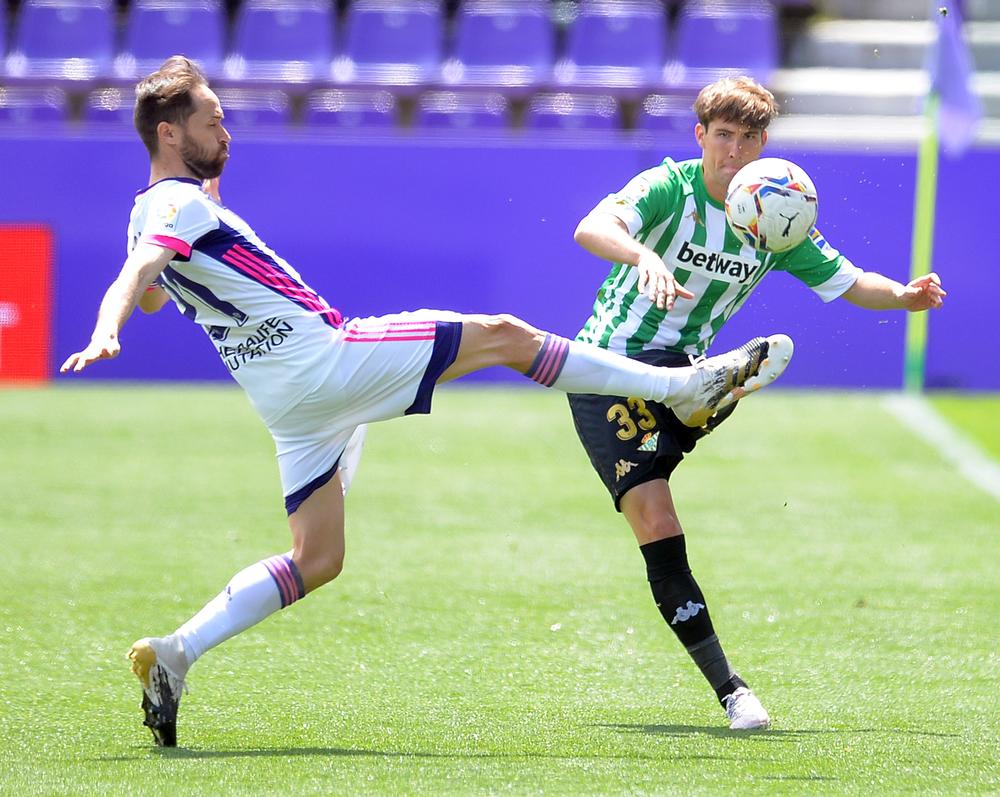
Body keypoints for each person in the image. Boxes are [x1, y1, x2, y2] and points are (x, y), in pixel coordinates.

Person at [59, 58, 793, 747]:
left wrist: (162, 278)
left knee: (317, 558)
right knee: (505, 335)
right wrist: (105, 323)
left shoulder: (151, 209)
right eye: (211, 120)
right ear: (169, 132)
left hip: (284, 403)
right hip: (326, 358)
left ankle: (176, 652)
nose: (226, 132)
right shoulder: (177, 206)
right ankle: (680, 384)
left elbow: (157, 291)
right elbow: (141, 276)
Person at [569, 75, 945, 730]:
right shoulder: (670, 187)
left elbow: (853, 281)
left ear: (764, 142)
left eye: (747, 138)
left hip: (679, 367)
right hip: (609, 370)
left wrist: (905, 297)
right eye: (723, 136)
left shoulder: (774, 213)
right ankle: (733, 690)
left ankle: (706, 392)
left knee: (697, 386)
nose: (734, 151)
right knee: (656, 522)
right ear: (701, 136)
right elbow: (591, 227)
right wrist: (644, 258)